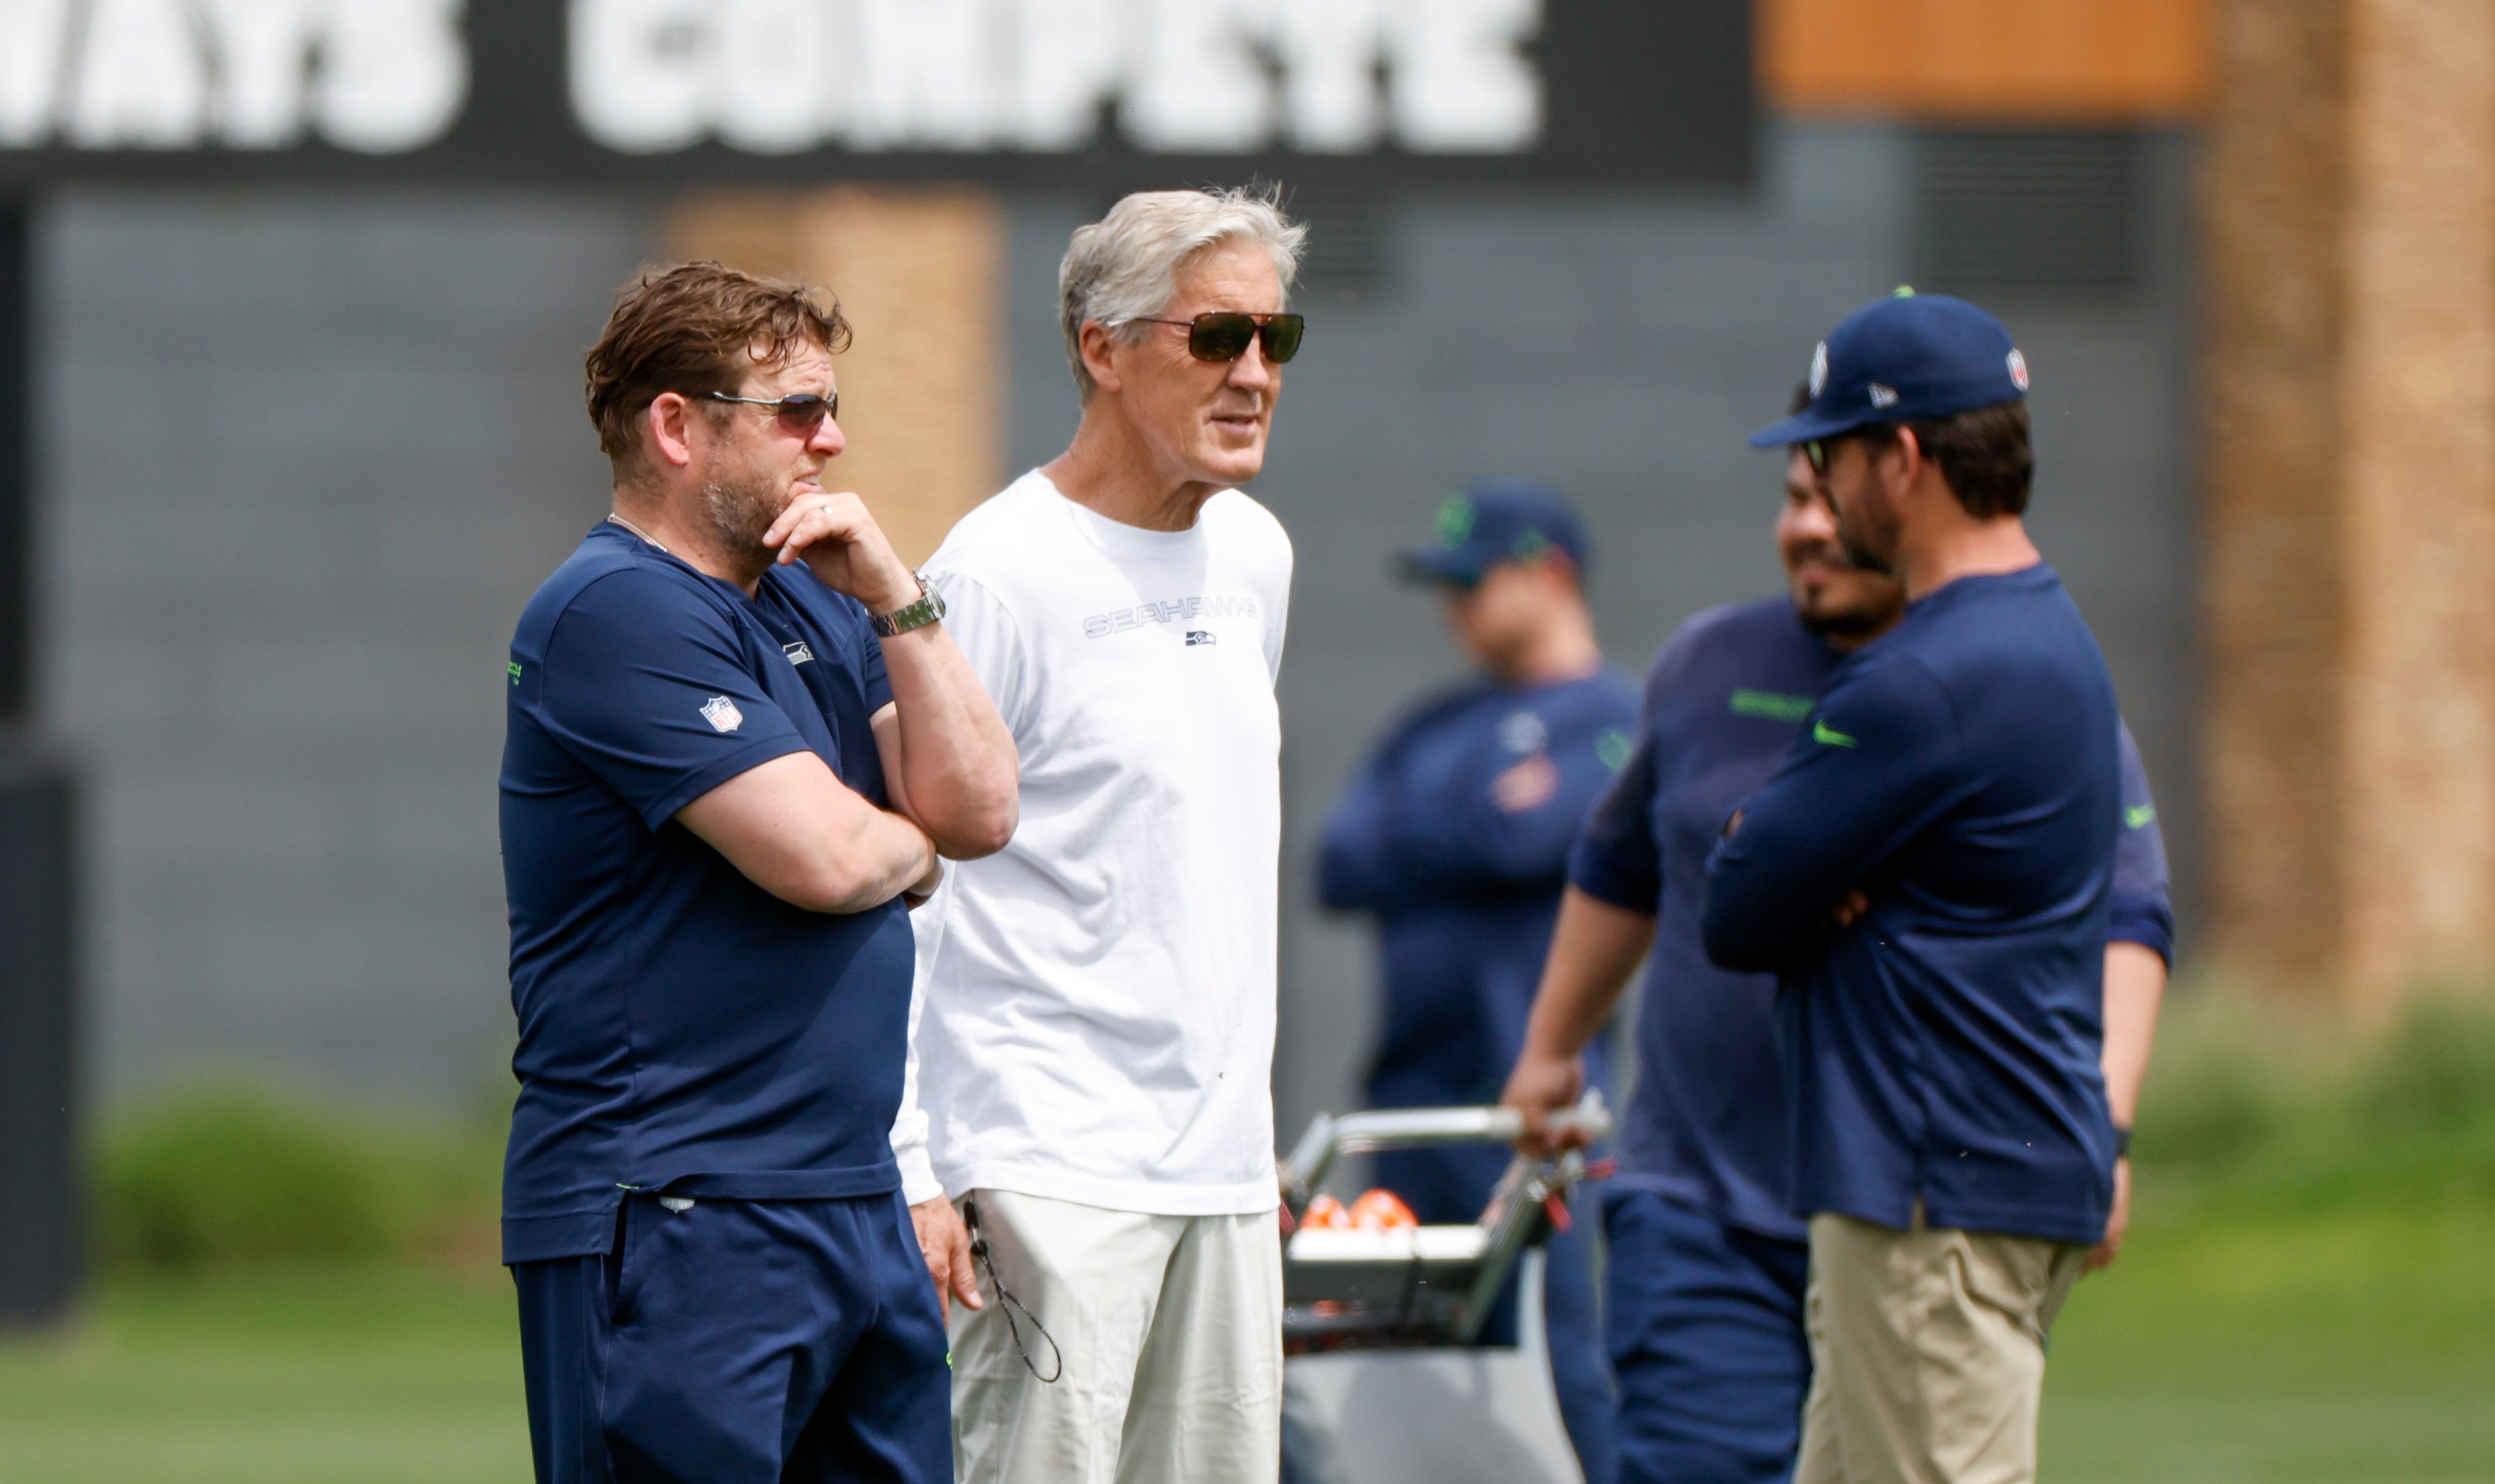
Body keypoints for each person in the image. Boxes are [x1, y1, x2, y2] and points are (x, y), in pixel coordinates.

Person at [1503, 398, 2172, 1484]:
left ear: (1898, 485)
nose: (1810, 526)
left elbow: (2129, 911)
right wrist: (1549, 1046)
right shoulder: (1707, 660)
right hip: (1703, 1196)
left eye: (1831, 494)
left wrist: (2109, 1120)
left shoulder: (2007, 675)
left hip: (1912, 1189)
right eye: (1791, 498)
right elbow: (1621, 863)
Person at [498, 262, 1018, 1484]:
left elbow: (983, 807)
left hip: (848, 1198)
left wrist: (898, 596)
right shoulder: (611, 610)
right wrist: (910, 849)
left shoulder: (824, 602)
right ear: (676, 425)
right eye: (793, 409)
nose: (829, 439)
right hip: (673, 1203)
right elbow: (832, 859)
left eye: (832, 405)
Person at [891, 188, 1304, 1484]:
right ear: (1100, 345)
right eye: (1216, 338)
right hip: (1041, 1167)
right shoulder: (997, 569)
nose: (1253, 374)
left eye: (1276, 340)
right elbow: (912, 882)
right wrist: (915, 1158)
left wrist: (1247, 1153)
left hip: (1225, 1181)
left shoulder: (1255, 557)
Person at [1698, 293, 2120, 1484]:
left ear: (1905, 456)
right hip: (1981, 1174)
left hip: (1932, 1197)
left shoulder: (1922, 679)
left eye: (1830, 455)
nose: (1821, 493)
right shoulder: (2046, 636)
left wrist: (1781, 851)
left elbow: (1736, 907)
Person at [1314, 480, 1640, 1482]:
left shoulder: (1610, 717)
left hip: (1529, 1107)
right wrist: (1484, 821)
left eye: (1472, 580)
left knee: (1558, 1356)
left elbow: (1536, 835)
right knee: (1397, 1366)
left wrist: (1461, 831)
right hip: (1411, 1102)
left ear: (1551, 573)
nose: (1452, 605)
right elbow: (1341, 861)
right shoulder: (1430, 724)